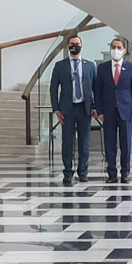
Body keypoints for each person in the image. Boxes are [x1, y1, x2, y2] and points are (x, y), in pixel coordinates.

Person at [48, 36, 97, 184]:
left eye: (77, 43)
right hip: (67, 109)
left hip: (84, 108)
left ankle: (83, 171)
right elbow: (53, 89)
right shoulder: (60, 65)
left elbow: (96, 88)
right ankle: (68, 172)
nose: (74, 46)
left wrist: (95, 107)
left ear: (82, 45)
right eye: (72, 44)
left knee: (84, 142)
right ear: (67, 46)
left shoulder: (90, 66)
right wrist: (56, 109)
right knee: (67, 142)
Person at [95, 37, 132, 182]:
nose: (116, 50)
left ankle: (125, 173)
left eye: (119, 47)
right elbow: (98, 92)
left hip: (126, 112)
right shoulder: (102, 68)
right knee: (110, 144)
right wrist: (99, 111)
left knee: (125, 144)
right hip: (108, 112)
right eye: (113, 47)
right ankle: (111, 173)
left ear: (124, 50)